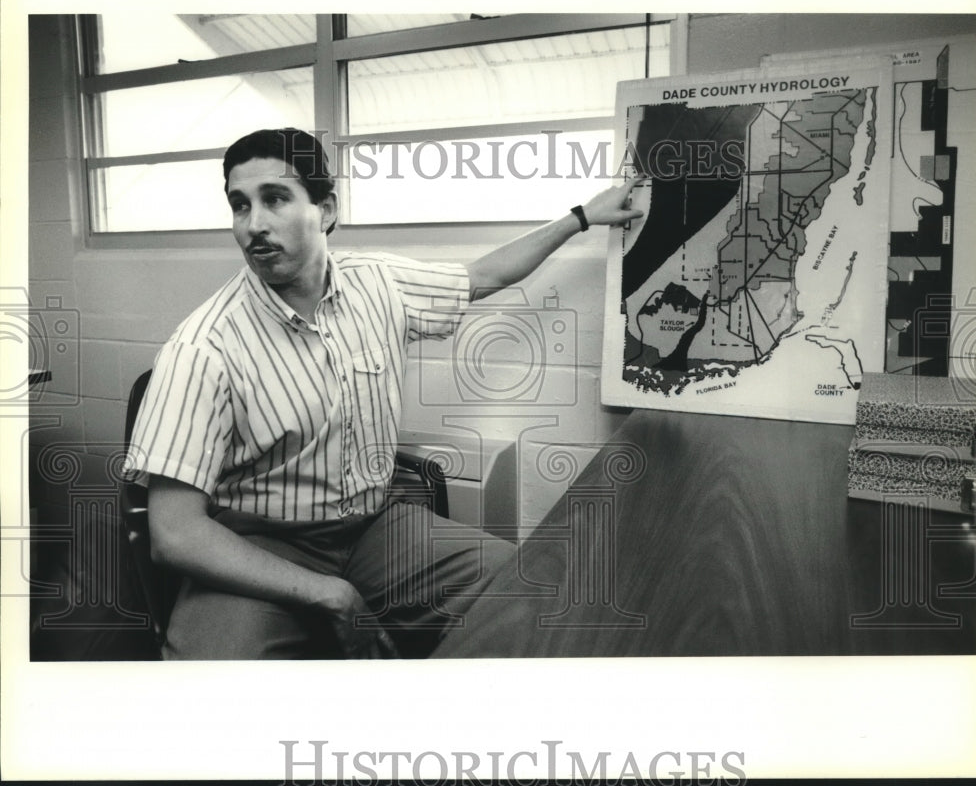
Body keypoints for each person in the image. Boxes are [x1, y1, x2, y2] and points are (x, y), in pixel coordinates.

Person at [125, 127, 643, 660]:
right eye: (239, 205)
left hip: (373, 526)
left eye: (275, 199)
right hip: (260, 543)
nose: (254, 224)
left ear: (326, 210)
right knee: (212, 686)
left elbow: (484, 274)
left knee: (523, 589)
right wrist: (329, 592)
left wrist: (581, 217)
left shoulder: (379, 284)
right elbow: (176, 533)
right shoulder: (201, 347)